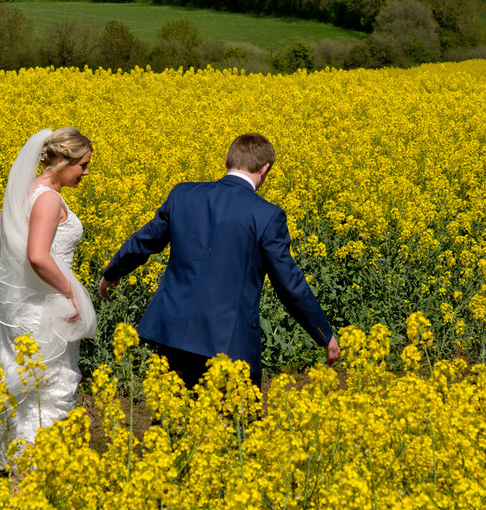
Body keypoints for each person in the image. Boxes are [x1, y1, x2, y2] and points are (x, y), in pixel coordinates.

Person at [98, 133, 340, 389]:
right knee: (235, 422)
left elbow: (145, 240)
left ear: (226, 161)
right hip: (228, 342)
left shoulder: (183, 194)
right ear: (265, 168)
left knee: (169, 419)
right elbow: (289, 284)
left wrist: (113, 272)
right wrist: (323, 334)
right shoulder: (267, 215)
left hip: (173, 332)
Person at [0, 127, 98, 465]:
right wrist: (71, 293)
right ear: (60, 160)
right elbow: (39, 257)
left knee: (27, 391)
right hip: (44, 309)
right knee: (49, 390)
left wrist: (14, 280)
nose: (86, 173)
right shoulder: (48, 199)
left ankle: (23, 469)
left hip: (24, 305)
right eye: (82, 165)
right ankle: (26, 475)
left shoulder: (26, 192)